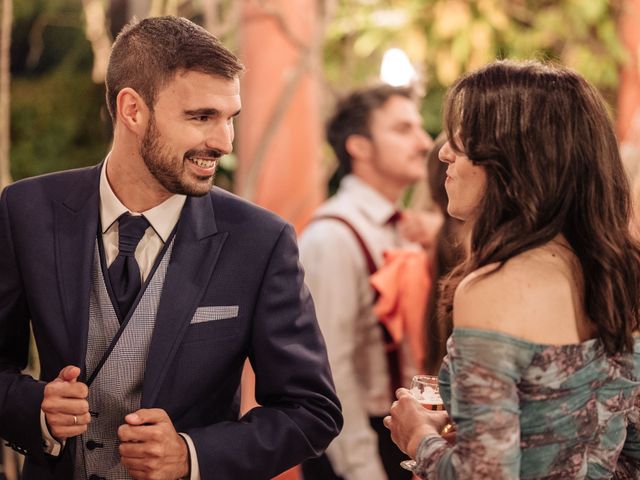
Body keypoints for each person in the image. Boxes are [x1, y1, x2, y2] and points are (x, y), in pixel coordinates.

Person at [0, 16, 342, 480]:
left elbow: (312, 410)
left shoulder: (261, 240)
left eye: (229, 119)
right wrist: (34, 409)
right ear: (133, 110)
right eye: (202, 117)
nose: (223, 142)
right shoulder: (27, 211)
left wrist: (192, 454)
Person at [384, 59, 640, 479]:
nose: (444, 152)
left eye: (461, 139)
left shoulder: (494, 288)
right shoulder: (622, 273)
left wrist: (418, 438)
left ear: (512, 157)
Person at [299, 85, 434, 480]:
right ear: (359, 146)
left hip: (402, 434)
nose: (424, 142)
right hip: (356, 443)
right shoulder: (333, 235)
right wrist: (362, 468)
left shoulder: (403, 228)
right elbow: (330, 368)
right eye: (403, 129)